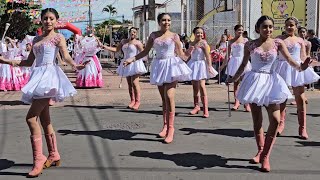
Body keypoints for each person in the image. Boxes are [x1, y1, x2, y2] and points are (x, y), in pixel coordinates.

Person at [0, 8, 86, 178]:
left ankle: (39, 159)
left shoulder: (58, 37)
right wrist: (6, 60)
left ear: (56, 21)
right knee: (45, 119)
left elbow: (66, 56)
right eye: (45, 18)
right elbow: (28, 61)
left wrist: (75, 66)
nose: (48, 21)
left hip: (49, 78)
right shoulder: (37, 39)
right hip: (37, 77)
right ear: (41, 20)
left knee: (31, 118)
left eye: (51, 18)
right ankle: (54, 154)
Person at [227, 15, 311, 172]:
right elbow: (244, 65)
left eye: (271, 27)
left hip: (272, 83)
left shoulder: (278, 43)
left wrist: (302, 67)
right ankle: (261, 152)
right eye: (265, 27)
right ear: (258, 28)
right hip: (254, 82)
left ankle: (265, 155)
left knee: (275, 120)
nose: (268, 29)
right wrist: (232, 79)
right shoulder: (250, 45)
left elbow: (290, 61)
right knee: (257, 121)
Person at [123, 13, 192, 144]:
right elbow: (145, 52)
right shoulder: (154, 35)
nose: (167, 22)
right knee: (164, 99)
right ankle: (165, 126)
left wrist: (190, 52)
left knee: (169, 96)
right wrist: (132, 59)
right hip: (159, 66)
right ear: (159, 22)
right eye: (164, 20)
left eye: (169, 20)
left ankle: (171, 129)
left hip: (171, 65)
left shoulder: (174, 36)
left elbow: (181, 54)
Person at [273, 17, 320, 139]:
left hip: (297, 69)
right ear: (284, 26)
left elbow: (303, 56)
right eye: (287, 25)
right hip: (282, 68)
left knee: (300, 97)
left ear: (296, 27)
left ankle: (302, 127)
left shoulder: (300, 40)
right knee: (282, 97)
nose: (289, 27)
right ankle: (280, 124)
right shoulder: (278, 39)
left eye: (292, 25)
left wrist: (310, 62)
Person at [100, 27, 147, 110]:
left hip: (134, 63)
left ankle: (137, 101)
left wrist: (143, 61)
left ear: (136, 34)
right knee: (129, 84)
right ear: (129, 33)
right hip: (126, 63)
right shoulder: (123, 42)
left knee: (135, 83)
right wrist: (104, 47)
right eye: (131, 32)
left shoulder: (138, 43)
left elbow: (143, 53)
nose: (133, 33)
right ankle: (132, 100)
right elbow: (116, 50)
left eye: (135, 32)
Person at [187, 27, 218, 118]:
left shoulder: (203, 43)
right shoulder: (191, 43)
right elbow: (188, 55)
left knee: (202, 86)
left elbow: (207, 55)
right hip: (192, 64)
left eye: (201, 33)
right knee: (194, 87)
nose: (199, 35)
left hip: (200, 65)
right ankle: (196, 106)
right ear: (194, 33)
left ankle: (205, 109)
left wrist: (209, 66)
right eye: (197, 33)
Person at [220, 24, 252, 112]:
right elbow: (227, 55)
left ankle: (246, 104)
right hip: (234, 61)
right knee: (235, 83)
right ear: (235, 31)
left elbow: (249, 52)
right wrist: (222, 66)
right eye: (239, 30)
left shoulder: (245, 40)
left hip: (243, 61)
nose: (240, 31)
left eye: (242, 30)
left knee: (245, 83)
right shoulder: (231, 42)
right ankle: (236, 102)